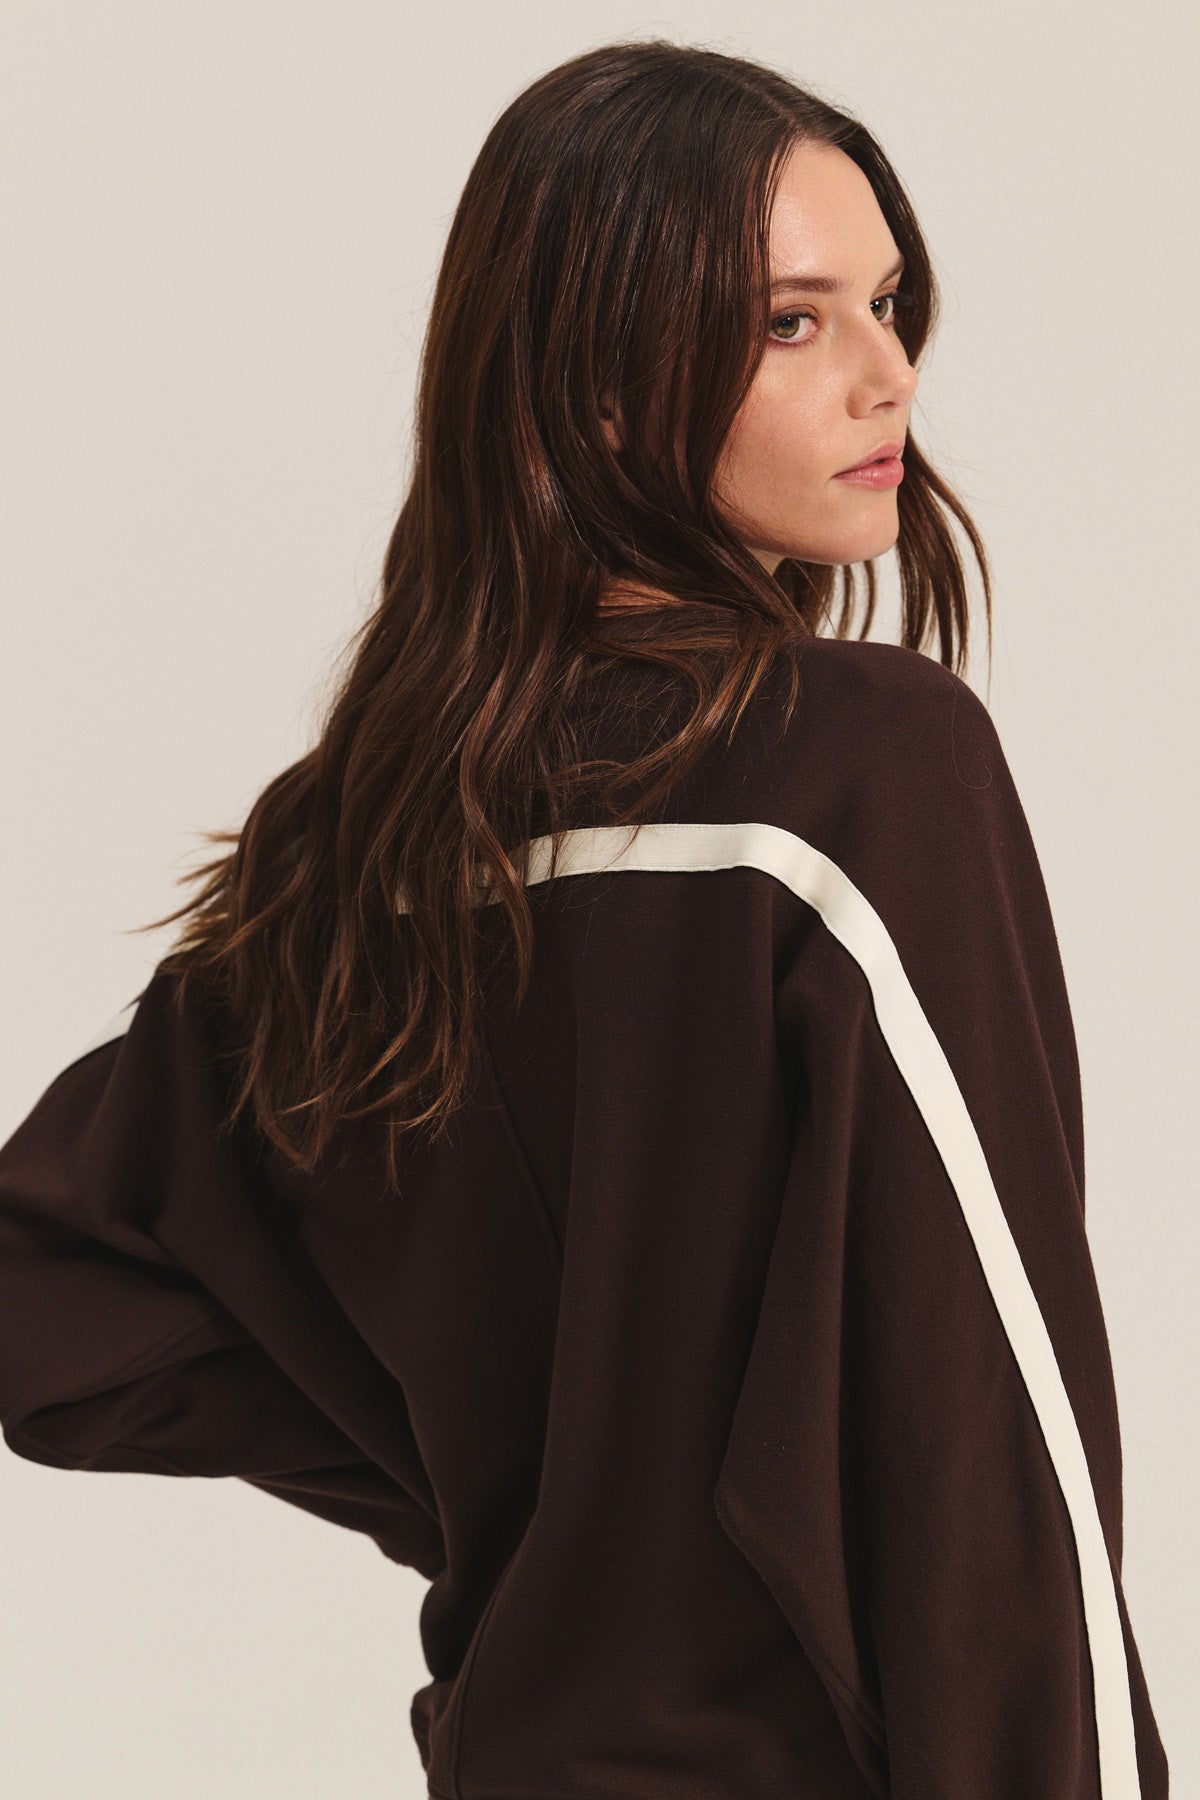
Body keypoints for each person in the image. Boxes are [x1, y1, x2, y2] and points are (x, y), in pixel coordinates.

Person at [0, 37, 1170, 1800]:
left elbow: (49, 1291)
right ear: (602, 386)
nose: (890, 376)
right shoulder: (858, 772)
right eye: (794, 321)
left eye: (889, 302)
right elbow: (995, 1445)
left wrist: (556, 1528)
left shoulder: (368, 845)